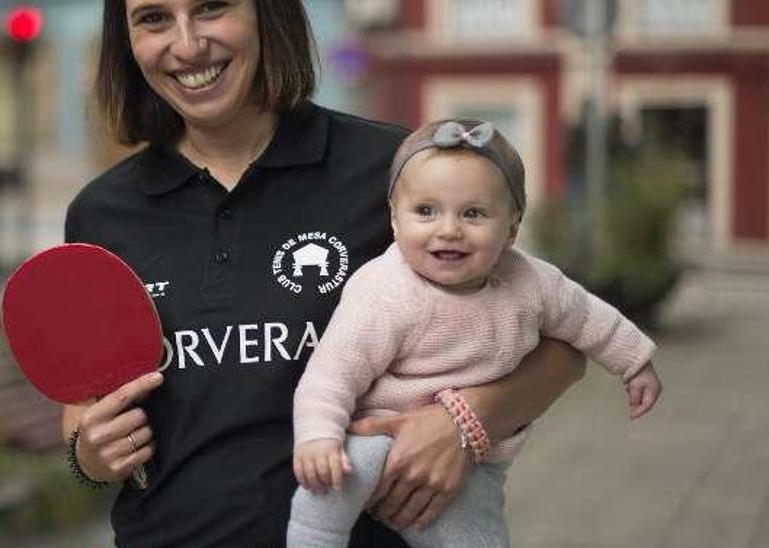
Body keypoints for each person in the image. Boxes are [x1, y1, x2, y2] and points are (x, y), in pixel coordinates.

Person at [62, 2, 587, 546]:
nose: (188, 44)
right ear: (125, 41)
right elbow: (81, 407)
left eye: (212, 8)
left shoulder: (391, 172)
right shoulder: (102, 214)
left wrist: (463, 423)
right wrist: (88, 455)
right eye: (153, 19)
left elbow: (563, 347)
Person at [286, 119, 664, 547]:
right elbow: (331, 374)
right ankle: (314, 539)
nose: (449, 229)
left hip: (470, 468)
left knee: (478, 535)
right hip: (378, 438)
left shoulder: (531, 282)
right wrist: (319, 437)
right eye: (425, 211)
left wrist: (634, 362)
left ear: (512, 227)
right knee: (334, 478)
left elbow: (588, 317)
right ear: (394, 219)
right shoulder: (384, 292)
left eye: (473, 213)